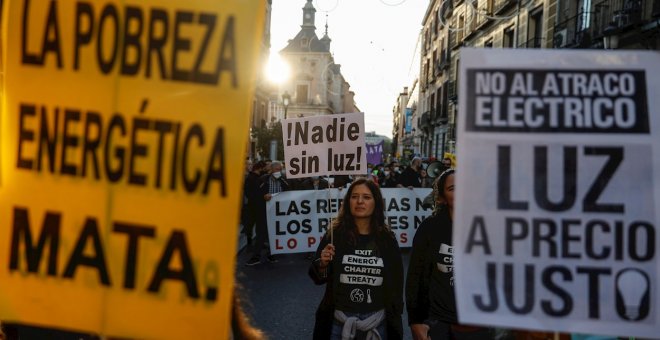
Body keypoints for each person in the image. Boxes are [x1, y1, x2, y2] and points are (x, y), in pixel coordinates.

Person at [309, 179, 404, 340]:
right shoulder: (334, 235)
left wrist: (395, 316)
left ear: (376, 203)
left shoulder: (386, 239)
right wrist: (323, 263)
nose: (360, 201)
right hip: (338, 323)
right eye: (354, 196)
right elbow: (318, 278)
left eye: (366, 197)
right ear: (348, 202)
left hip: (377, 323)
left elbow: (396, 282)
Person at [406, 169, 494, 340]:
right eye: (453, 188)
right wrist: (415, 321)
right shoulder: (430, 228)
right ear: (442, 198)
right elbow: (415, 278)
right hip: (439, 324)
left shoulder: (491, 226)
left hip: (481, 325)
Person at [245, 161, 290, 266]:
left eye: (280, 170)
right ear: (272, 170)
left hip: (279, 213)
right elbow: (255, 194)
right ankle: (256, 257)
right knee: (261, 234)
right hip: (264, 212)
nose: (278, 172)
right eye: (277, 169)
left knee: (276, 234)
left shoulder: (284, 180)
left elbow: (290, 193)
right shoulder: (263, 179)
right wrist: (263, 197)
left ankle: (272, 254)